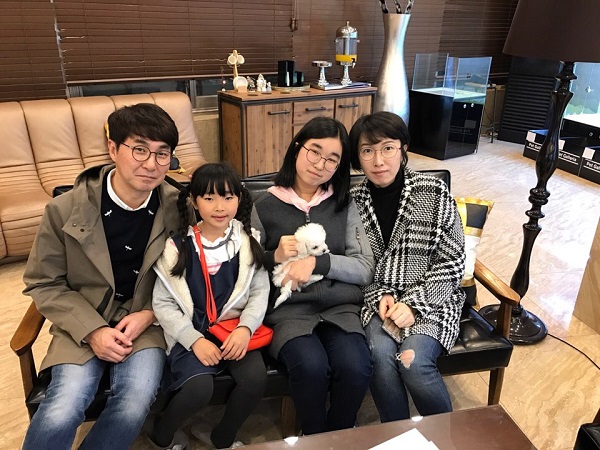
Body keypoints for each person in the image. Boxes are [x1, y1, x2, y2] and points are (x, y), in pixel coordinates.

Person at [21, 103, 193, 450]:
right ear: (113, 149)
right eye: (139, 149)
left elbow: (193, 275)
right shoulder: (64, 209)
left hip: (146, 323)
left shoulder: (180, 208)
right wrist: (93, 330)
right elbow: (44, 281)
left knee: (133, 403)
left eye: (162, 154)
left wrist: (150, 314)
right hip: (81, 321)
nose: (151, 164)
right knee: (62, 408)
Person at [251, 116, 375, 435]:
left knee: (356, 367)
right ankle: (315, 436)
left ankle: (340, 434)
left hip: (341, 308)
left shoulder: (344, 204)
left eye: (332, 159)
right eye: (314, 151)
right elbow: (245, 268)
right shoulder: (263, 205)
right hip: (288, 312)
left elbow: (365, 267)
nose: (320, 164)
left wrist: (319, 264)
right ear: (297, 148)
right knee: (310, 367)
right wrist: (273, 256)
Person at [348, 111, 466, 423]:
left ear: (403, 149)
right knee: (379, 358)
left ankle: (444, 438)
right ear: (358, 157)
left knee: (412, 363)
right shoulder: (352, 201)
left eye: (387, 148)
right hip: (379, 304)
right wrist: (379, 295)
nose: (378, 161)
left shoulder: (433, 192)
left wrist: (414, 305)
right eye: (367, 151)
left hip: (433, 300)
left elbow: (452, 262)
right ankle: (397, 434)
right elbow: (354, 264)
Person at [150, 163, 269, 449]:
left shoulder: (248, 241)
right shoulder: (177, 247)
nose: (220, 207)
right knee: (198, 389)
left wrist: (245, 329)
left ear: (239, 199)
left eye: (228, 197)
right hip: (192, 334)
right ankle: (161, 435)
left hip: (233, 330)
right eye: (209, 198)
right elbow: (163, 304)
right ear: (193, 201)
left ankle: (221, 437)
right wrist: (193, 340)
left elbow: (259, 291)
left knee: (255, 379)